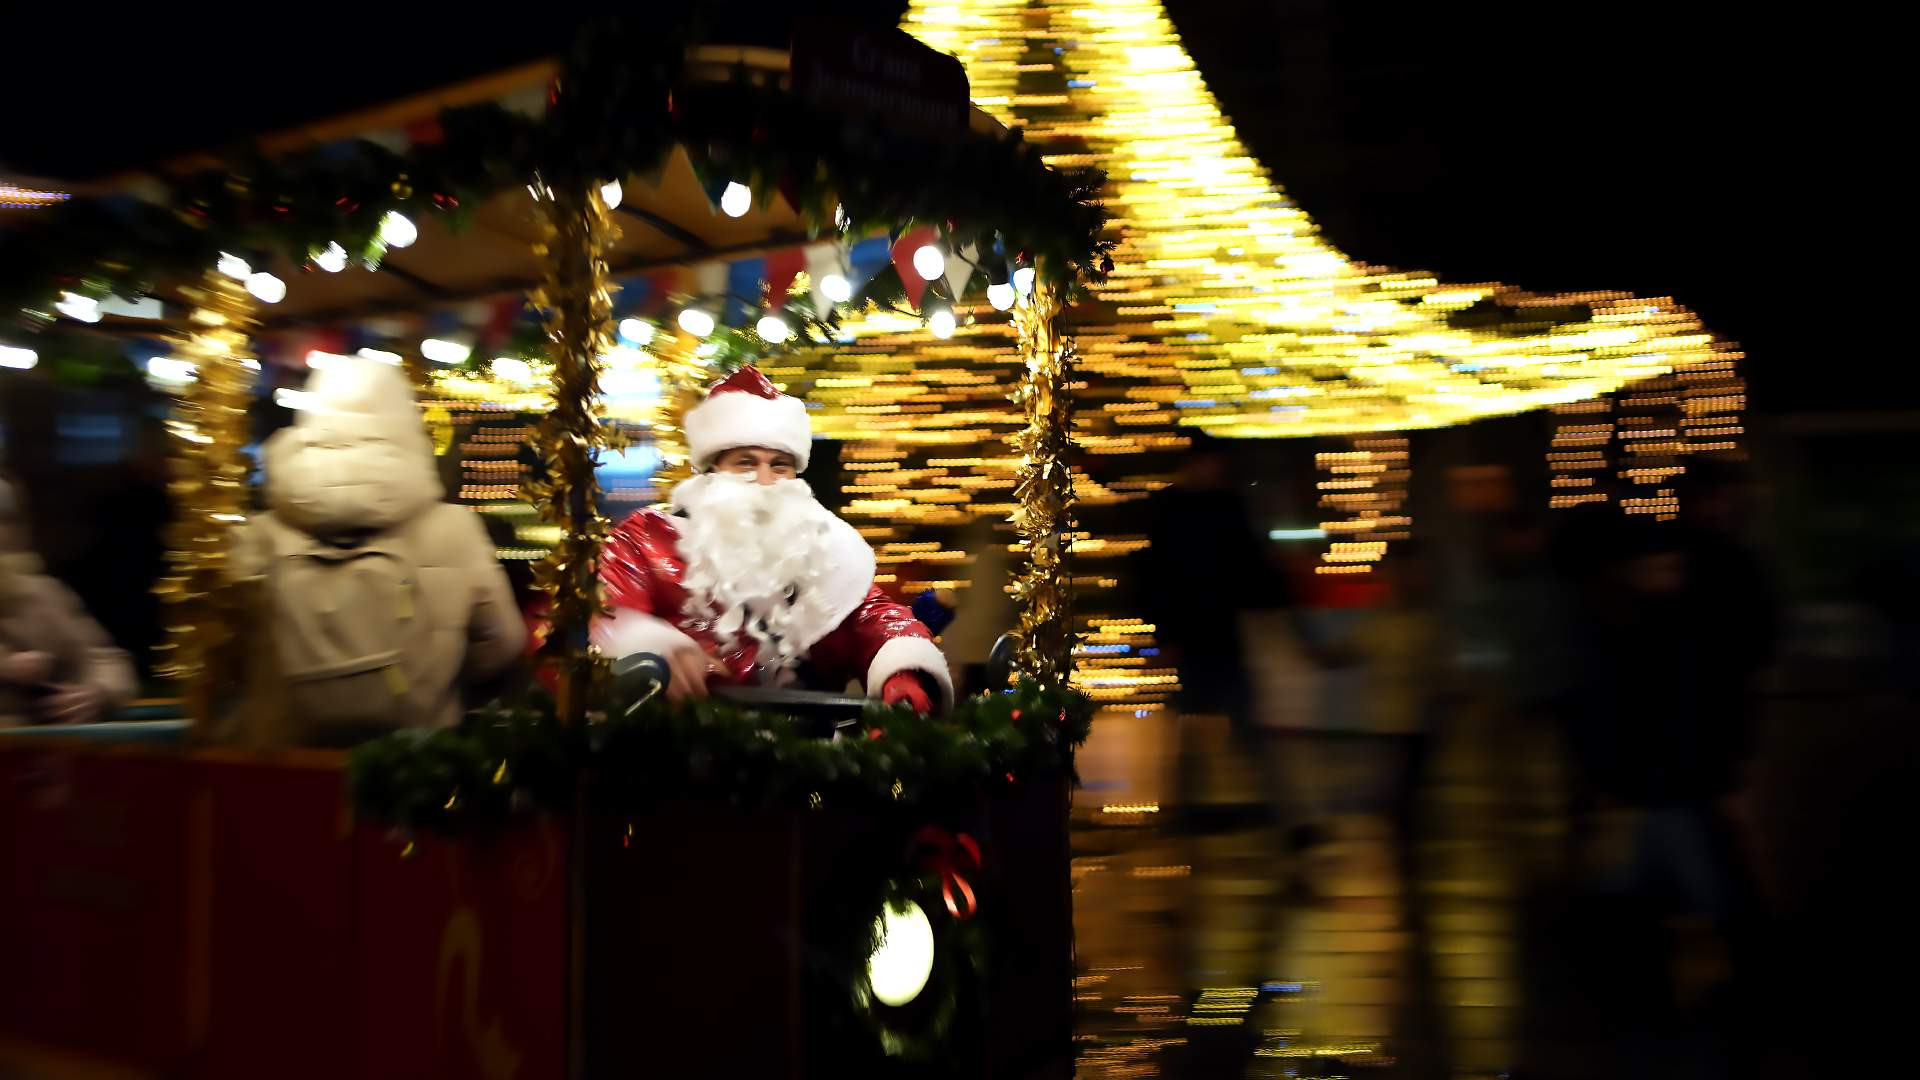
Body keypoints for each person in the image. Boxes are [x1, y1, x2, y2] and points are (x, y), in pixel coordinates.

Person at [592, 367, 952, 714]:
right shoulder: (645, 538)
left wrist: (903, 669)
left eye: (779, 465)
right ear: (711, 470)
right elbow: (603, 617)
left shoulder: (828, 550)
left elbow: (873, 617)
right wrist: (648, 648)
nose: (765, 481)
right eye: (746, 463)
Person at [225, 356, 525, 747]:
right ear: (402, 421)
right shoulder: (453, 529)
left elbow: (229, 649)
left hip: (286, 765)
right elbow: (502, 640)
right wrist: (432, 675)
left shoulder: (261, 534)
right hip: (413, 764)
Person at [1, 477, 137, 725]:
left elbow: (105, 660)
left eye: (7, 521)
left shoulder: (40, 594)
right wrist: (6, 667)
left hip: (39, 749)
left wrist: (97, 693)